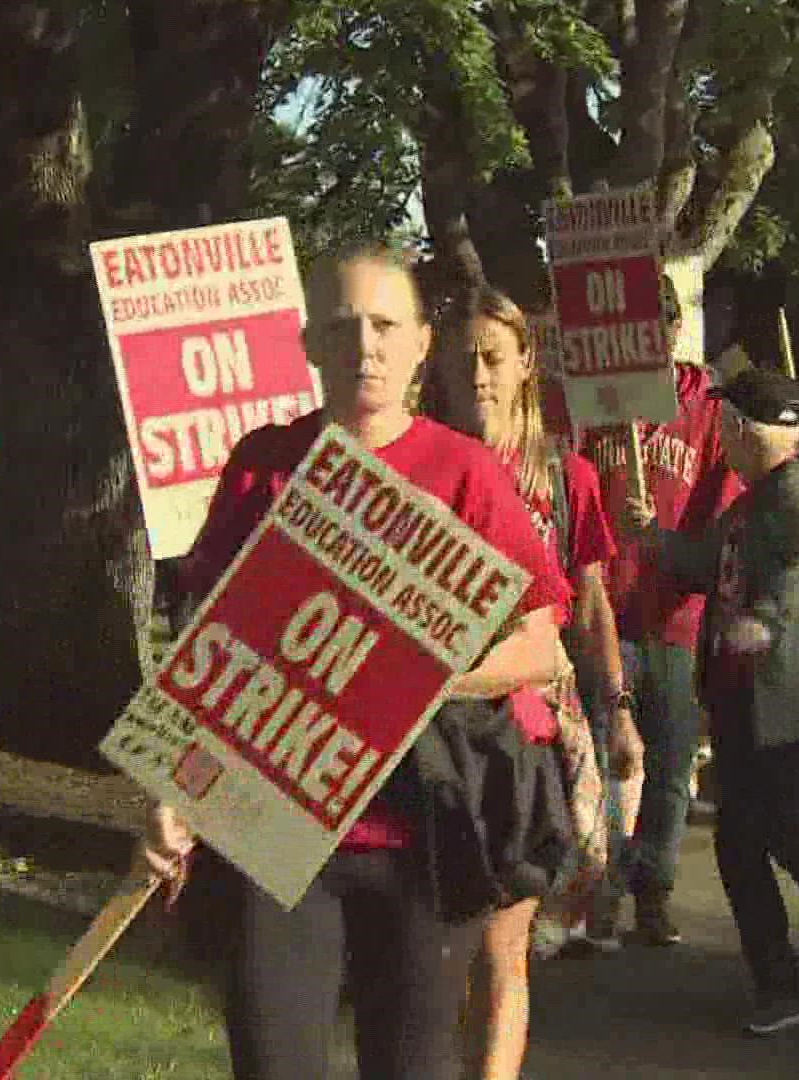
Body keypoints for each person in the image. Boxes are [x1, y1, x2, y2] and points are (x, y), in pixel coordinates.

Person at [136, 249, 573, 1080]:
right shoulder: (263, 464)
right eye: (342, 326)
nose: (363, 346)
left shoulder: (464, 473)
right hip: (276, 836)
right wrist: (168, 793)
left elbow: (539, 646)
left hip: (421, 839)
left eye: (385, 326)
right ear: (308, 344)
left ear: (419, 346)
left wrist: (416, 680)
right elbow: (207, 649)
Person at [426, 286, 642, 1080]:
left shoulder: (564, 476)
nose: (475, 373)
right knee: (433, 946)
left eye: (491, 356)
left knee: (501, 944)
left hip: (530, 727)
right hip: (434, 726)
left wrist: (617, 711)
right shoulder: (418, 464)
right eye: (460, 358)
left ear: (525, 364)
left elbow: (589, 606)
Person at [630, 366, 799, 1036]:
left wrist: (767, 619)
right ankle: (778, 984)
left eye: (725, 425)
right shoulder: (750, 500)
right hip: (744, 702)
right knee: (740, 844)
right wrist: (656, 542)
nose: (721, 438)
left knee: (792, 833)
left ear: (740, 427)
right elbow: (705, 562)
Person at [576, 276, 741, 947]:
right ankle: (601, 891)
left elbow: (724, 520)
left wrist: (669, 545)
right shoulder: (597, 403)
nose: (654, 341)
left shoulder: (705, 406)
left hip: (674, 616)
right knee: (602, 763)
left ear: (674, 333)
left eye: (663, 328)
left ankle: (655, 889)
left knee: (671, 765)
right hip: (604, 612)